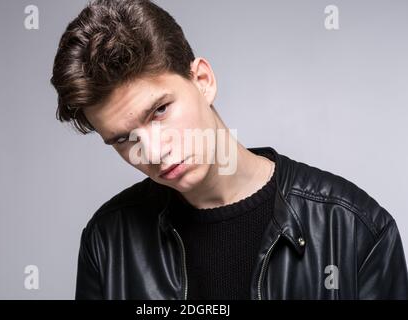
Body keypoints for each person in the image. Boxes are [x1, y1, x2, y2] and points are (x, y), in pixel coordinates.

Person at [50, 0, 408, 299]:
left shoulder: (353, 227)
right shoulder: (108, 242)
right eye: (123, 139)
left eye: (159, 111)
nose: (154, 151)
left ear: (202, 81)